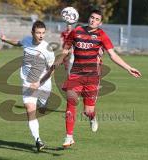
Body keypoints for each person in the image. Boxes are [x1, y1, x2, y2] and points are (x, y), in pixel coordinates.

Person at [54, 9, 142, 147]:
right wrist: (58, 61)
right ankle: (69, 136)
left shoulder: (101, 35)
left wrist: (128, 67)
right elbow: (65, 51)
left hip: (92, 76)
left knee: (88, 111)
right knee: (71, 102)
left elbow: (113, 55)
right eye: (91, 17)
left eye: (96, 19)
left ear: (100, 22)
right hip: (76, 73)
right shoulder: (76, 31)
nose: (93, 20)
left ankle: (92, 117)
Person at [0, 21, 55, 151]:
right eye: (38, 33)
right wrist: (5, 40)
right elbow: (18, 43)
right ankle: (38, 140)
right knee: (30, 111)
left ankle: (43, 104)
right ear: (32, 33)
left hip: (44, 83)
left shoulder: (48, 49)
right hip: (28, 83)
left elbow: (52, 70)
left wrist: (39, 83)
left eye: (43, 33)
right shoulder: (27, 40)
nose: (41, 35)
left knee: (42, 107)